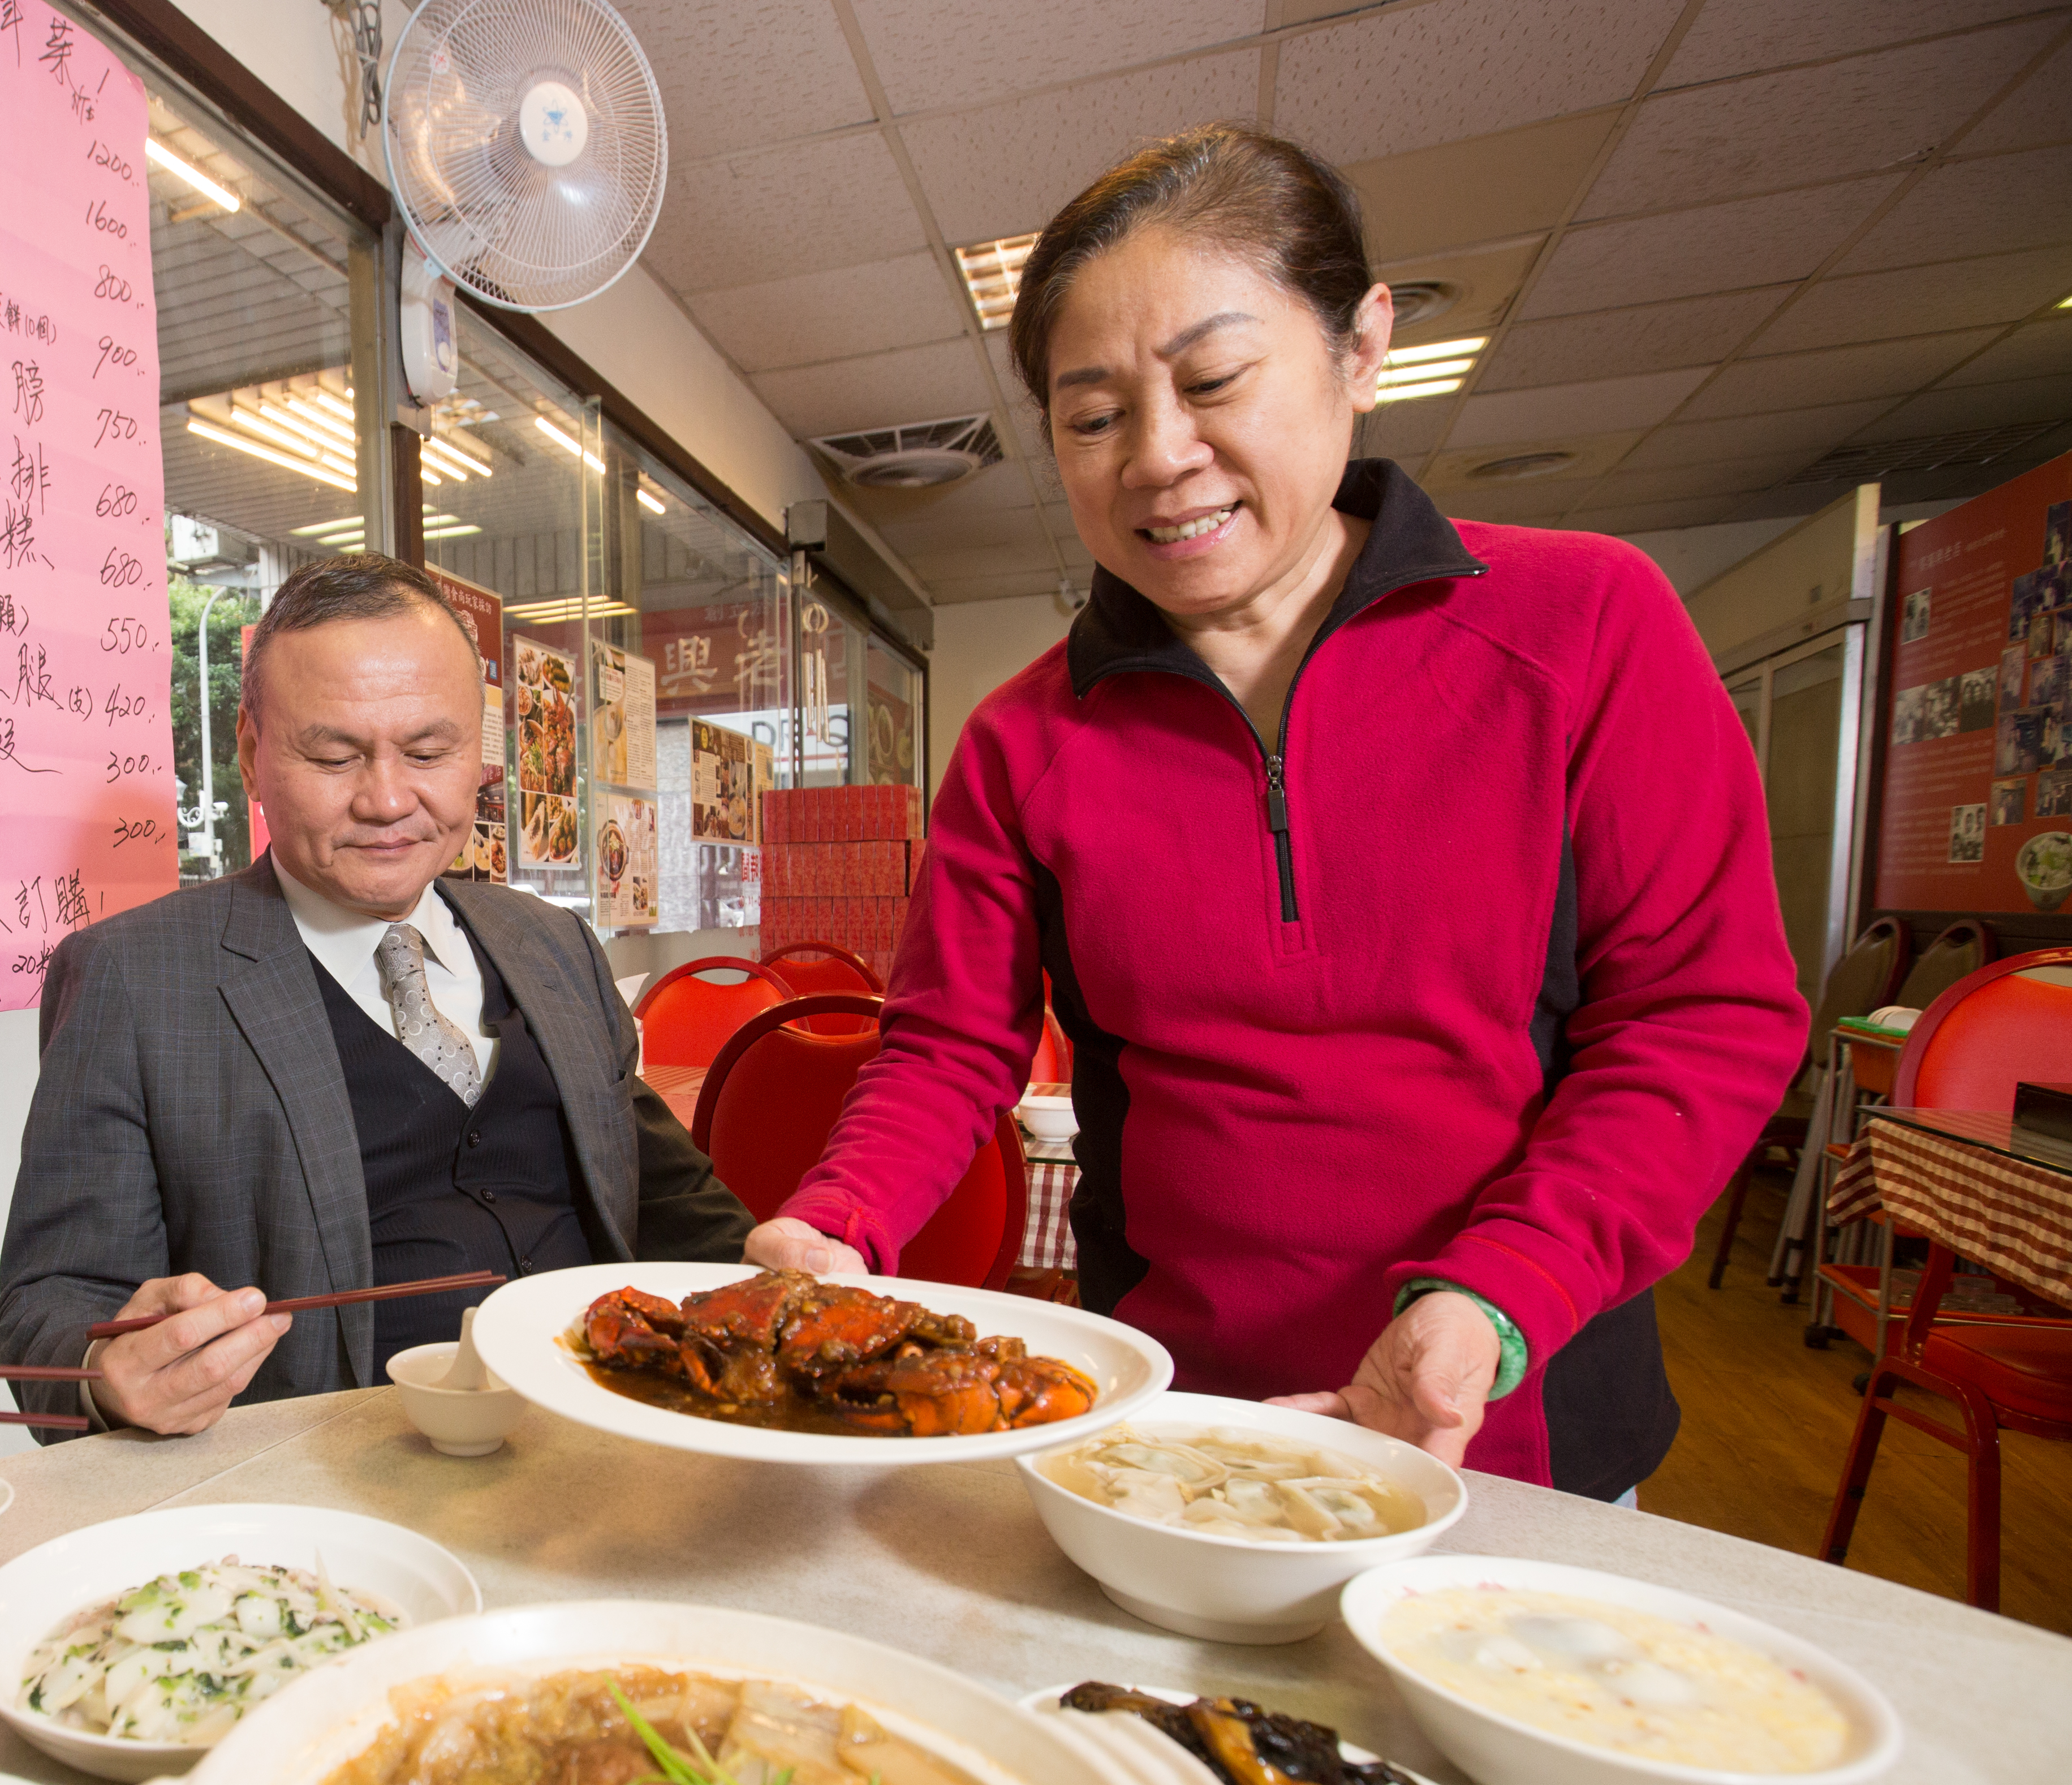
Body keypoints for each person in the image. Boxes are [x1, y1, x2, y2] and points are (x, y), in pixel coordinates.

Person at [753, 124, 1808, 1498]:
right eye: (1090, 417)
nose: (1156, 456)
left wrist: (1497, 1296)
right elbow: (948, 1044)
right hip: (1166, 1417)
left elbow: (1700, 1015)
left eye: (1212, 380)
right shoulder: (1024, 737)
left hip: (1510, 1406)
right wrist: (836, 1226)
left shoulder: (1581, 625)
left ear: (1358, 348)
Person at [0, 554, 752, 1433]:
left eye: (431, 751)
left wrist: (779, 1269)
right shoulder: (137, 979)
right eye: (333, 755)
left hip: (606, 1429)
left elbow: (668, 1201)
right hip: (332, 1484)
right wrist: (106, 1371)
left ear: (480, 752)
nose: (389, 799)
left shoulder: (551, 943)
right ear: (252, 754)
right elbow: (52, 1307)